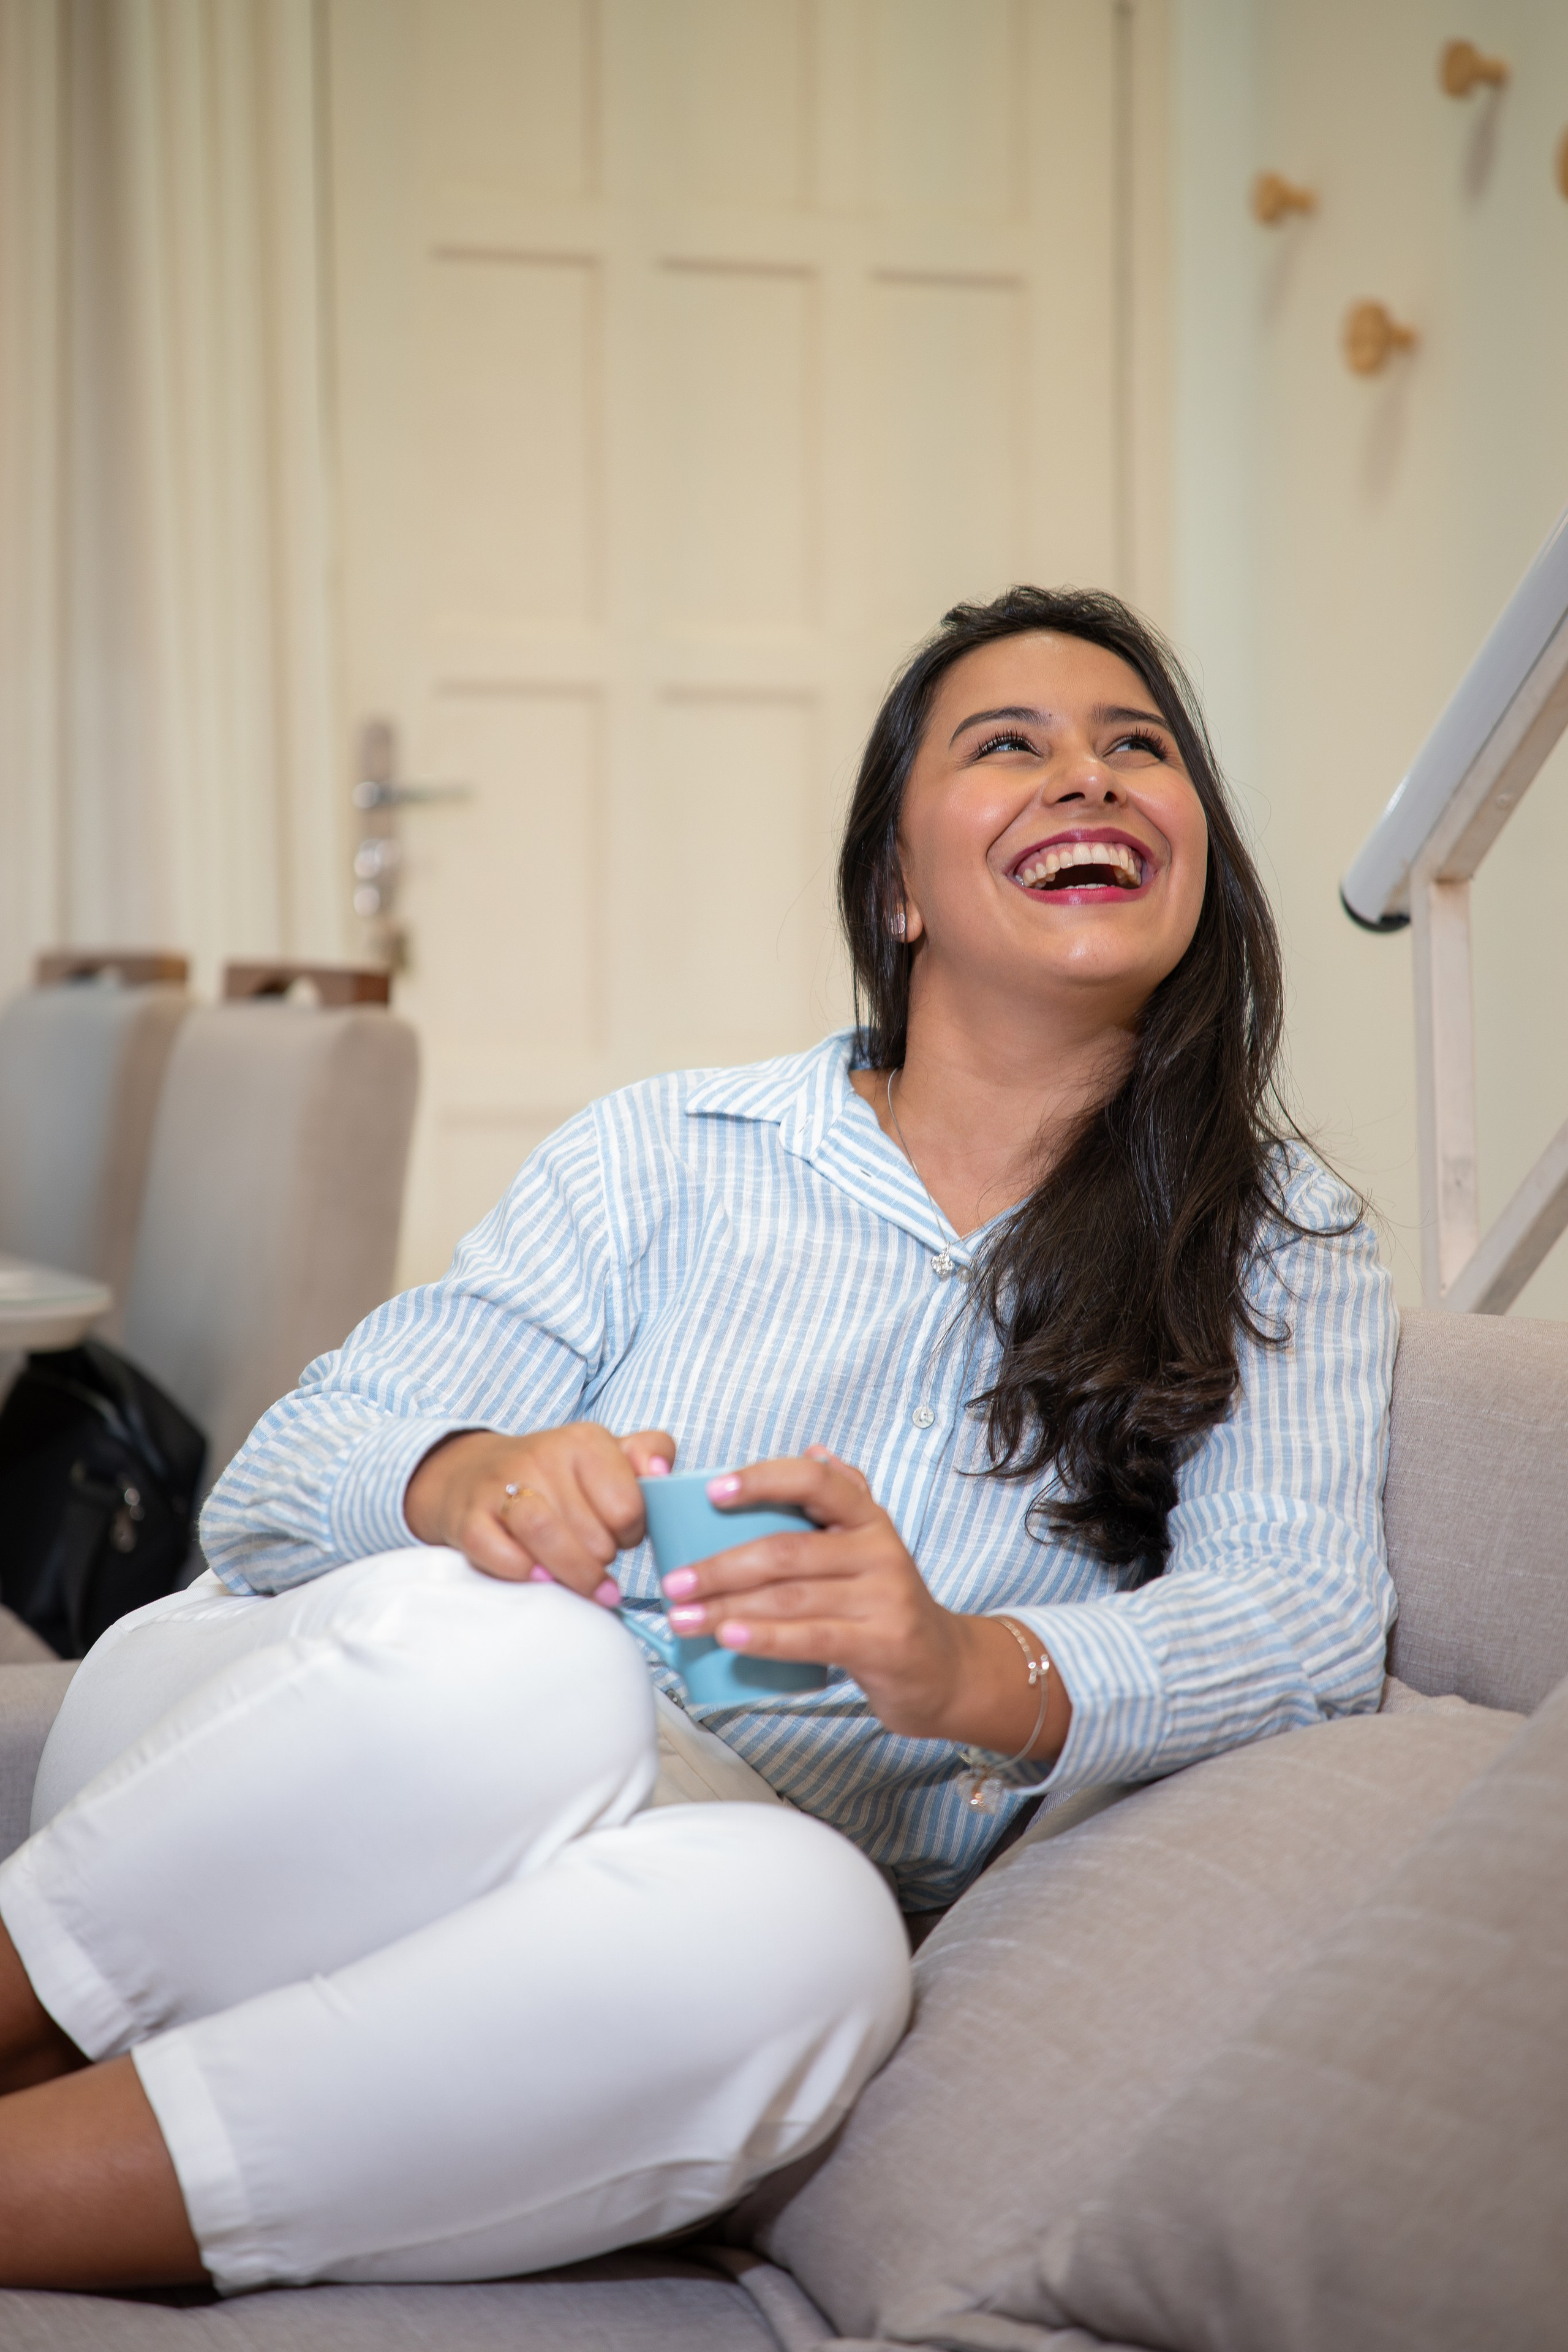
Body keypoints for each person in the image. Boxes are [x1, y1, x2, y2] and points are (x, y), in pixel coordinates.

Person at [0, 586, 1395, 2294]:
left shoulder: (1283, 1243)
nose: (1089, 779)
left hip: (649, 1877)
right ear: (898, 890)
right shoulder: (667, 1149)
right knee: (540, 1668)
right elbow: (284, 1477)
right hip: (292, 1758)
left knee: (817, 1955)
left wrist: (975, 1668)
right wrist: (476, 1482)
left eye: (1138, 749)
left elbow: (1305, 1619)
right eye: (1009, 747)